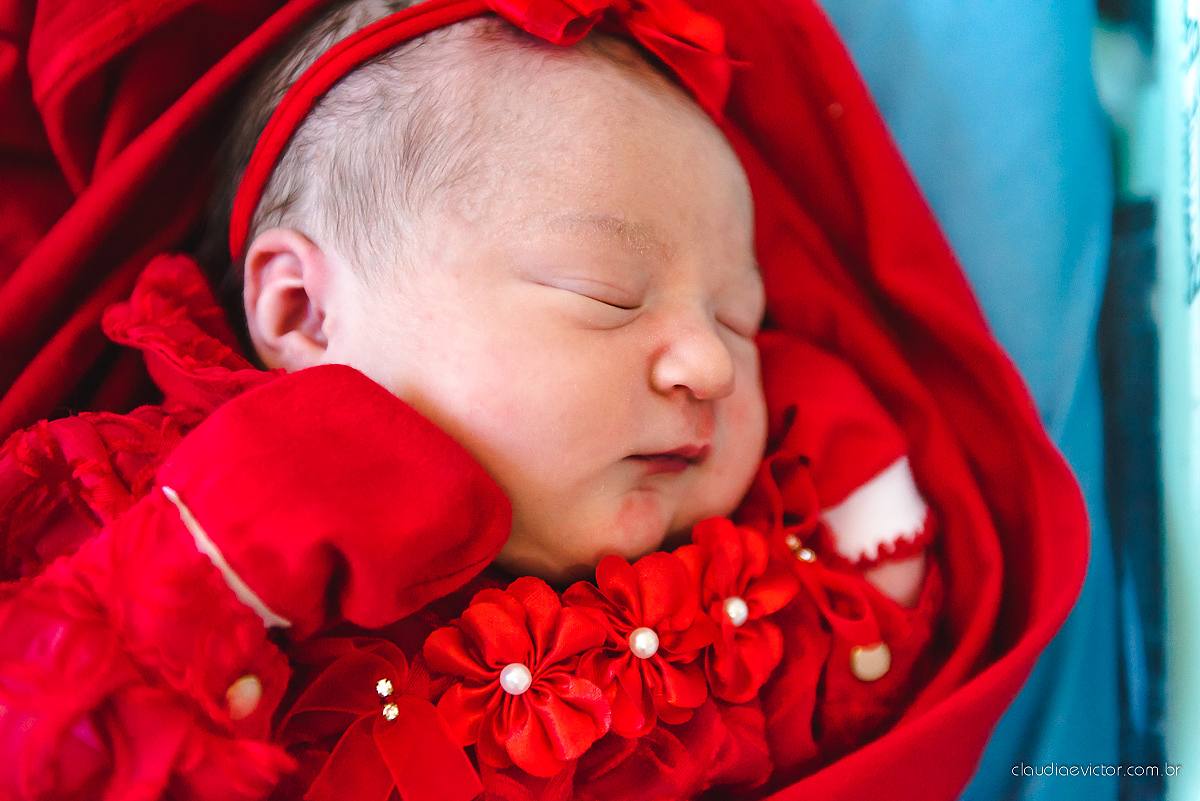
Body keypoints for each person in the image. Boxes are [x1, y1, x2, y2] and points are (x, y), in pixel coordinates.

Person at [0, 0, 1088, 799]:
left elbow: (876, 676)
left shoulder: (722, 607)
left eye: (743, 321)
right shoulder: (142, 510)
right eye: (606, 294)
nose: (711, 368)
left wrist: (845, 456)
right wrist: (217, 567)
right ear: (301, 314)